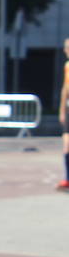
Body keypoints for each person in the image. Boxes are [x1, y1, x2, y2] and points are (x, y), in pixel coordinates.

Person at [58, 38, 69, 192]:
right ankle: (67, 178)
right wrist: (62, 110)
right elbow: (65, 89)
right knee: (66, 142)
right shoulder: (67, 66)